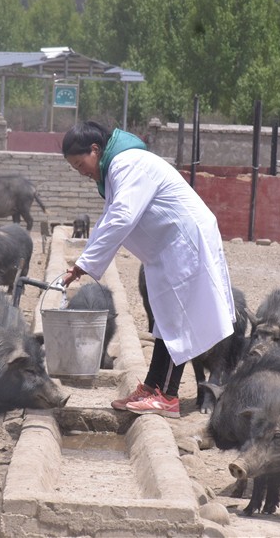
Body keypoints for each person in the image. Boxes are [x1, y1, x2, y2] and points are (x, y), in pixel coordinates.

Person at [61, 120, 236, 418]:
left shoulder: (126, 163)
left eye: (80, 164)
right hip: (169, 248)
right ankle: (152, 387)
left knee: (176, 321)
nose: (81, 172)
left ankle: (167, 396)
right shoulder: (117, 169)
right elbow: (108, 219)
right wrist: (82, 264)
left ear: (95, 149)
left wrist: (86, 262)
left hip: (184, 243)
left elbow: (122, 217)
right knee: (166, 321)